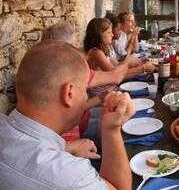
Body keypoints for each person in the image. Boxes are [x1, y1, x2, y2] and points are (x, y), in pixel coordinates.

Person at [0, 41, 135, 189]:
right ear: (69, 93)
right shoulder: (71, 176)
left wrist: (66, 147)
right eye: (85, 89)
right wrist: (111, 130)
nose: (85, 97)